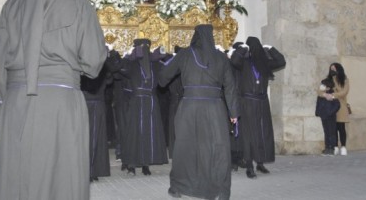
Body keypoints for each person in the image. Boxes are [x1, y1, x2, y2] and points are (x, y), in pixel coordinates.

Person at [0, 0, 107, 200]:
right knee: (59, 174)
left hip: (17, 101)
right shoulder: (80, 7)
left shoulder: (12, 4)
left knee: (16, 171)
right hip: (60, 102)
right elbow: (94, 63)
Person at [159, 25, 238, 200]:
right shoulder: (221, 58)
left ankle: (178, 187)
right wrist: (233, 112)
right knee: (217, 148)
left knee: (185, 147)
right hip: (215, 108)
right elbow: (230, 86)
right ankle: (219, 190)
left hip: (189, 107)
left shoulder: (185, 54)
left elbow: (163, 78)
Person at [229, 37, 286, 179]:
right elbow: (234, 60)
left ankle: (260, 163)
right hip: (247, 102)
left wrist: (271, 48)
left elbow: (281, 61)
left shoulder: (264, 63)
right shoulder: (243, 62)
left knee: (262, 133)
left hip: (262, 102)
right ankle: (249, 166)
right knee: (248, 135)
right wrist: (242, 49)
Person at [116, 39, 168, 176]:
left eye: (147, 47)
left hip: (151, 101)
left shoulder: (155, 64)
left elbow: (167, 71)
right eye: (141, 47)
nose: (144, 50)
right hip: (136, 102)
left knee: (148, 133)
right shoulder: (132, 63)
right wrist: (129, 56)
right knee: (134, 133)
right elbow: (117, 67)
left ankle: (146, 163)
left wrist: (161, 55)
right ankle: (131, 164)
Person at [80, 55, 114, 182]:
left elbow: (110, 80)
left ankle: (94, 170)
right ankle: (86, 170)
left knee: (96, 138)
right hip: (87, 104)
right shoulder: (83, 66)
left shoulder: (102, 67)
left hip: (97, 105)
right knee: (87, 138)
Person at [324, 62, 350, 155]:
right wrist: (325, 93)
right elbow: (322, 89)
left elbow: (343, 92)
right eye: (331, 69)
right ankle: (335, 146)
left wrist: (333, 95)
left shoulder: (345, 80)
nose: (332, 71)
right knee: (333, 128)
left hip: (341, 107)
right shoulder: (328, 79)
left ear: (339, 69)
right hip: (331, 107)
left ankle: (343, 146)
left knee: (341, 128)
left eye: (334, 69)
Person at [316, 76, 339, 156]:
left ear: (328, 87)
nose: (321, 86)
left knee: (331, 132)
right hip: (324, 116)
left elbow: (337, 105)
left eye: (323, 85)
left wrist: (330, 112)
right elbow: (318, 103)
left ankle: (332, 148)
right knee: (326, 132)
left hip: (331, 116)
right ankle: (327, 147)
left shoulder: (332, 95)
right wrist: (318, 112)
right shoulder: (322, 95)